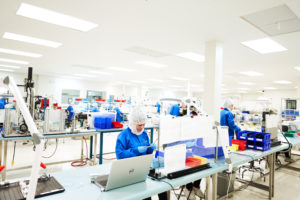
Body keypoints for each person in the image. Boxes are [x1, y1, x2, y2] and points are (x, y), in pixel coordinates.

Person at [115, 107, 167, 200]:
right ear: (133, 123)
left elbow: (147, 152)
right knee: (146, 195)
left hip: (144, 167)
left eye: (144, 124)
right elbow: (120, 155)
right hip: (131, 170)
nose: (142, 127)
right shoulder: (124, 135)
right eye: (139, 125)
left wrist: (150, 148)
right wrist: (135, 150)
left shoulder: (144, 134)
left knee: (162, 187)